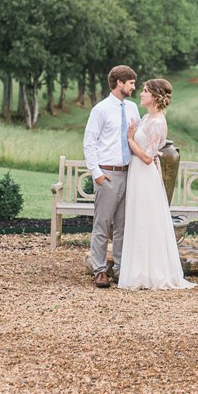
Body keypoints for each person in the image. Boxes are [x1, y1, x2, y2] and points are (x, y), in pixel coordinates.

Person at [117, 78, 195, 291]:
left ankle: (151, 272)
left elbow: (148, 157)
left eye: (144, 91)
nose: (140, 94)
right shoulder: (147, 117)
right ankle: (139, 270)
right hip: (137, 173)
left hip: (144, 173)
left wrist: (130, 139)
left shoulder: (158, 122)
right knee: (138, 218)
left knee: (145, 219)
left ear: (155, 96)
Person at [82, 65, 138, 288]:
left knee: (124, 225)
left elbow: (137, 137)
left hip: (129, 174)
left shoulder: (133, 108)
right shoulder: (100, 110)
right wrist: (97, 174)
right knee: (103, 224)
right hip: (108, 175)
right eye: (131, 83)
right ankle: (99, 270)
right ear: (119, 83)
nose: (134, 87)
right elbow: (89, 143)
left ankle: (120, 268)